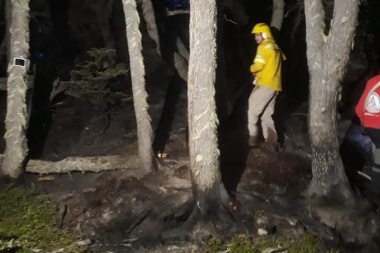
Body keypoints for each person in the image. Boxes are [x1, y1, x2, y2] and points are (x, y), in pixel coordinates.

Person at [248, 23, 285, 149]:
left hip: (265, 84)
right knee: (266, 114)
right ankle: (271, 143)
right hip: (275, 86)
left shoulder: (263, 47)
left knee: (252, 108)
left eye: (258, 35)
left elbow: (258, 65)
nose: (255, 38)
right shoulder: (276, 47)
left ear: (264, 34)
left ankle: (253, 137)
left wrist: (251, 68)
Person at [355, 74, 380, 193]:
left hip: (370, 127)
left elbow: (359, 109)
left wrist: (365, 121)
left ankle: (376, 188)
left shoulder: (373, 81)